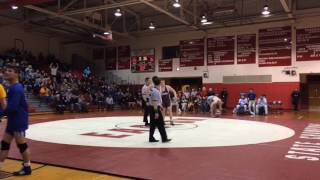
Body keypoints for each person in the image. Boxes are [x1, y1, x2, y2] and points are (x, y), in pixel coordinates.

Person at [0, 66, 32, 176]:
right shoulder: (13, 87)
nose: (6, 72)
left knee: (22, 145)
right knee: (4, 144)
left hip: (18, 121)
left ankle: (27, 168)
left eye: (10, 70)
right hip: (13, 120)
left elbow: (12, 107)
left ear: (16, 74)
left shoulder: (16, 88)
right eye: (6, 70)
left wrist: (0, 113)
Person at [149, 76, 171, 143]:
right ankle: (164, 138)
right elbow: (155, 102)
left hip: (152, 108)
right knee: (161, 124)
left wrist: (160, 105)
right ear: (159, 83)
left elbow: (155, 101)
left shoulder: (153, 90)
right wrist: (156, 112)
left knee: (152, 124)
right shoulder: (155, 91)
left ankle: (151, 138)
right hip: (155, 109)